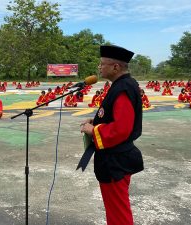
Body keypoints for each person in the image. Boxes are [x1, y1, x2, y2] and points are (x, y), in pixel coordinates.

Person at [78, 45, 143, 225]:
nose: (99, 68)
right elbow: (114, 116)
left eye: (102, 64)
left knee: (118, 211)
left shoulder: (123, 89)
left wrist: (94, 130)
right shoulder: (121, 85)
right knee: (114, 209)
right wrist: (97, 121)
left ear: (115, 67)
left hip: (116, 160)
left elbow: (122, 128)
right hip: (115, 158)